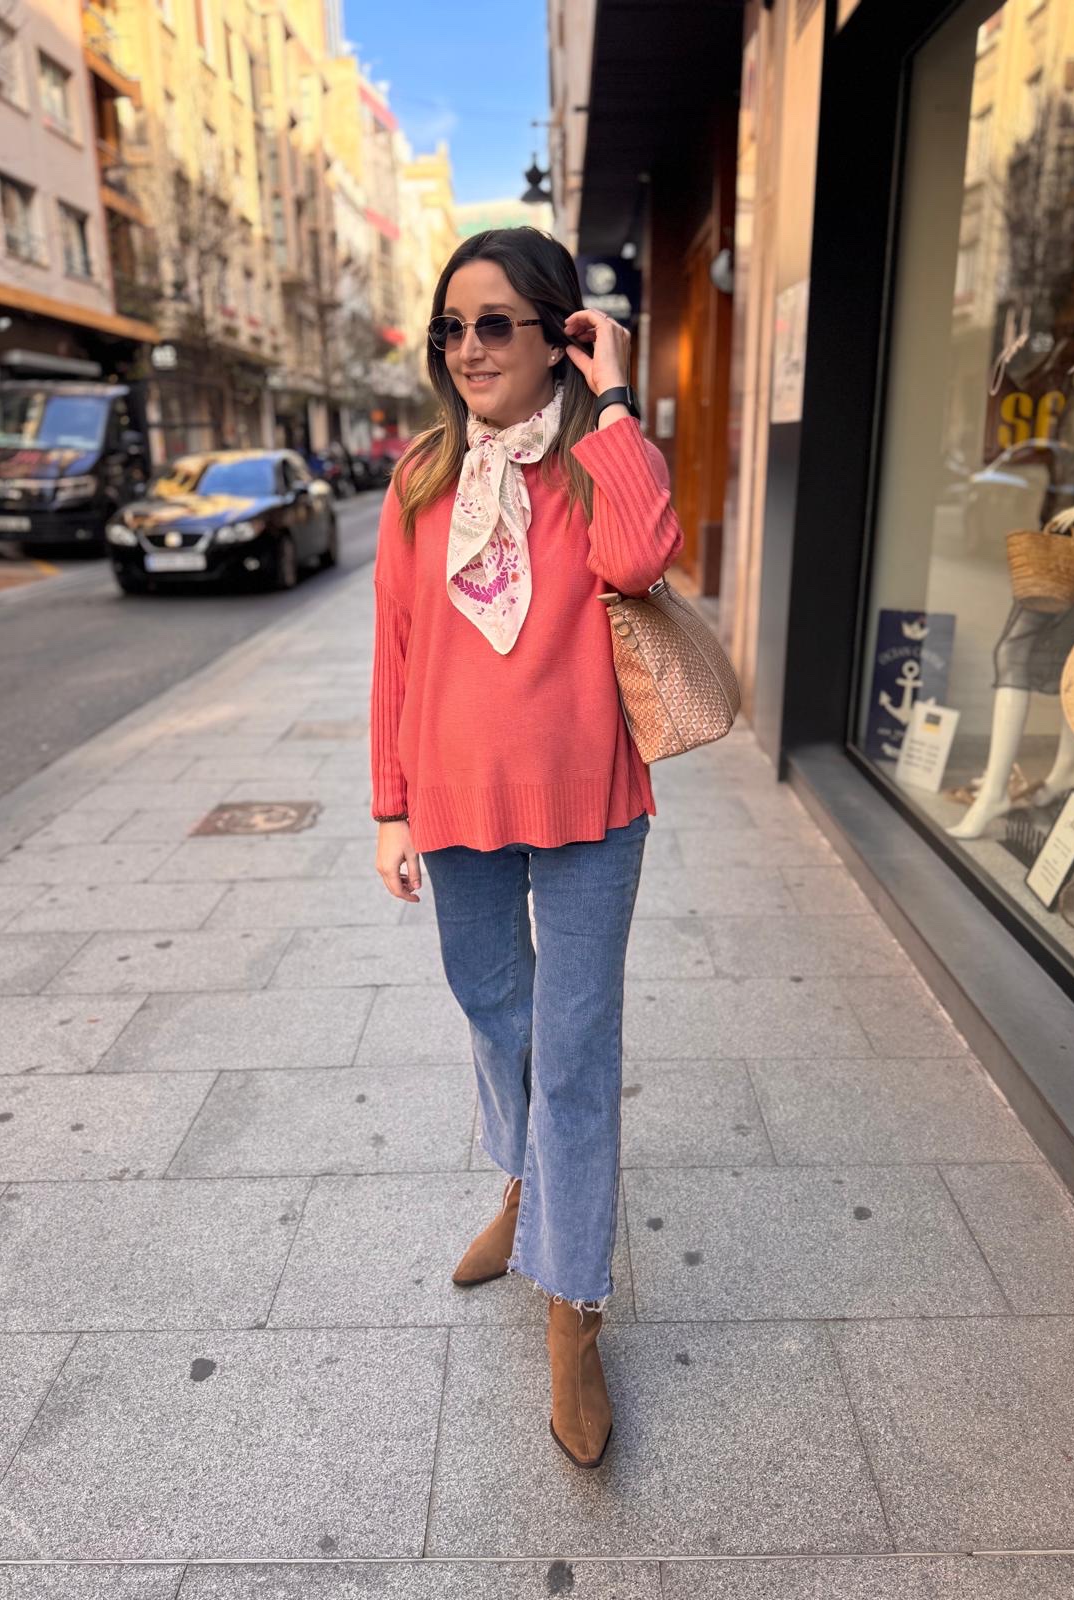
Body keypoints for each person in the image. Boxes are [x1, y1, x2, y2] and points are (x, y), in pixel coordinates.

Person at [368, 226, 684, 1468]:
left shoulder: (599, 463)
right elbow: (395, 650)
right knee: (495, 1011)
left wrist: (618, 394)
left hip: (592, 795)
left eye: (496, 322)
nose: (468, 347)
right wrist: (389, 806)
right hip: (454, 796)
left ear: (560, 333)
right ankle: (524, 1182)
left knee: (576, 1050)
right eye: (453, 327)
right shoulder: (420, 477)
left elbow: (642, 556)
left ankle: (572, 1309)